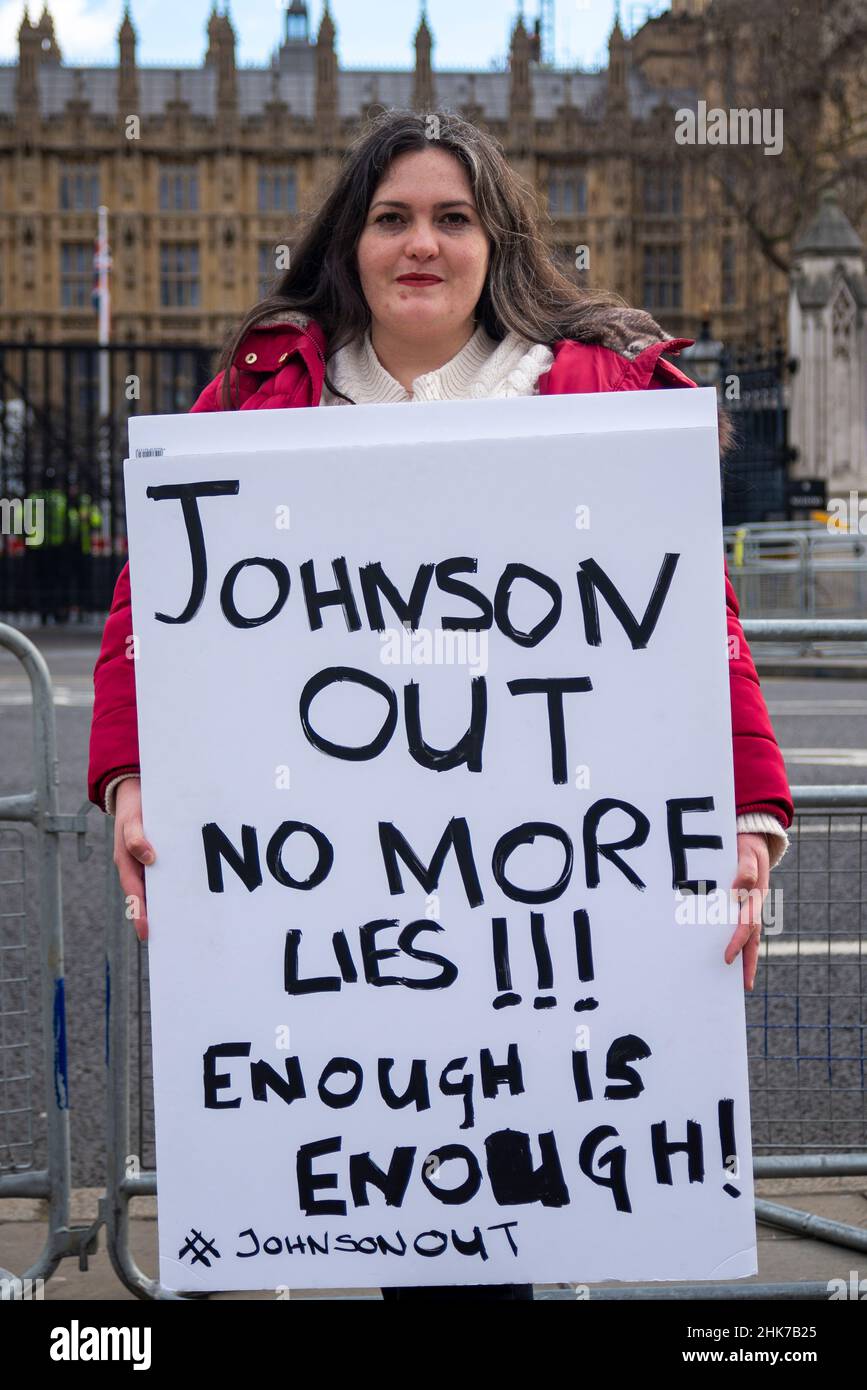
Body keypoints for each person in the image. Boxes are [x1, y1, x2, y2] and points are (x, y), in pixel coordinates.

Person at [87, 109, 794, 1303]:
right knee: (357, 1175)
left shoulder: (594, 393)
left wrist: (752, 815)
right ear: (350, 242)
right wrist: (128, 775)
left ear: (496, 238)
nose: (424, 244)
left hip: (531, 906)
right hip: (334, 902)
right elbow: (148, 608)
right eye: (394, 218)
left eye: (452, 219)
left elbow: (696, 625)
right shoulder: (261, 401)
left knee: (492, 1241)